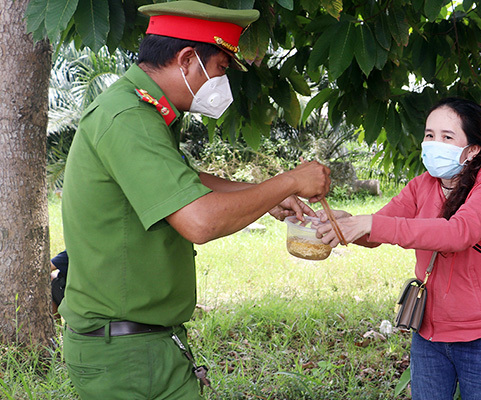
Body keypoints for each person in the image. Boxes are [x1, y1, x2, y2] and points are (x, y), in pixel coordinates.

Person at [59, 2, 330, 399]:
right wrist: (290, 180)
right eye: (220, 69)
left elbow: (184, 182)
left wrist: (273, 194)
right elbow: (199, 221)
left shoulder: (146, 111)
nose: (223, 83)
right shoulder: (128, 117)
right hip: (127, 355)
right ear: (187, 60)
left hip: (143, 343)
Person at [316, 98, 481, 400]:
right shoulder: (422, 185)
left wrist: (370, 223)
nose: (435, 144)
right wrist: (345, 222)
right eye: (429, 135)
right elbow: (375, 232)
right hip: (429, 333)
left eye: (447, 137)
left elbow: (457, 233)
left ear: (473, 149)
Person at [50, 250, 68, 319]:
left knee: (49, 278)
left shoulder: (70, 252)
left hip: (73, 298)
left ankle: (56, 325)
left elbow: (48, 267)